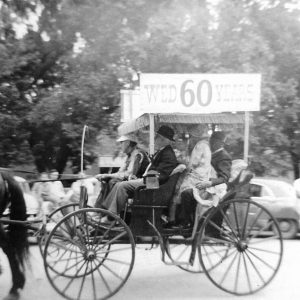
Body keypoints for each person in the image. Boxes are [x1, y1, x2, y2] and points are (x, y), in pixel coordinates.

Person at [100, 125, 178, 218]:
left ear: (163, 139)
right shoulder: (163, 152)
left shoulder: (168, 154)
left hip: (153, 186)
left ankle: (110, 217)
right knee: (118, 184)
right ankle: (106, 212)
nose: (154, 139)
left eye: (156, 137)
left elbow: (161, 176)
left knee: (122, 185)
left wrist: (144, 179)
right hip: (149, 182)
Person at [179, 130, 232, 228]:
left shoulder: (224, 157)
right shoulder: (208, 152)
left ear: (220, 143)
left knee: (187, 193)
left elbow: (224, 177)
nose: (212, 143)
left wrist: (209, 183)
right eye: (211, 140)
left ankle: (187, 223)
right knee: (181, 188)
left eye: (214, 141)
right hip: (202, 182)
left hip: (214, 188)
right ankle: (181, 219)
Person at [94, 134, 149, 208]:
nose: (120, 146)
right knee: (106, 181)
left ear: (128, 143)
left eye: (121, 143)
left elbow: (128, 174)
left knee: (112, 182)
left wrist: (107, 175)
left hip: (138, 185)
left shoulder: (138, 155)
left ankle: (105, 211)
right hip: (131, 182)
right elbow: (120, 172)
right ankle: (99, 209)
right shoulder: (129, 155)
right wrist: (105, 176)